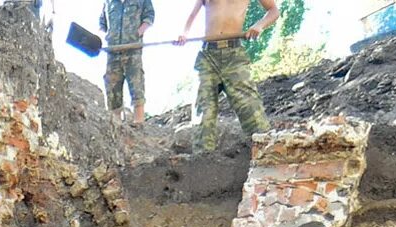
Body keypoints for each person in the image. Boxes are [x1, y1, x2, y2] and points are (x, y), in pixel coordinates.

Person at [176, 0, 275, 152]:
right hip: (208, 54)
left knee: (250, 106)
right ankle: (202, 162)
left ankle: (267, 152)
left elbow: (273, 10)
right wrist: (184, 33)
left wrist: (259, 25)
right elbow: (192, 14)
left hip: (234, 54)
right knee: (204, 109)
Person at [100, 0, 155, 128]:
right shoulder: (109, 2)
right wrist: (106, 37)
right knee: (112, 89)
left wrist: (137, 34)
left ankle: (139, 123)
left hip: (133, 50)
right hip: (113, 51)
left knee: (136, 85)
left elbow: (149, 17)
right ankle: (116, 126)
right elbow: (102, 23)